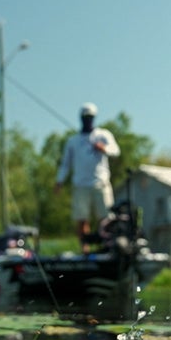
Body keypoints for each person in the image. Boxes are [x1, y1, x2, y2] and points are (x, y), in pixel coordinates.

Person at [54, 102, 121, 252]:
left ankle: (106, 246)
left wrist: (103, 148)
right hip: (80, 185)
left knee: (105, 218)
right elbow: (65, 164)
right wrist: (59, 181)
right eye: (85, 117)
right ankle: (85, 248)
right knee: (81, 218)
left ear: (94, 118)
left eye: (90, 117)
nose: (87, 120)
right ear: (81, 118)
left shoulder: (103, 135)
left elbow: (116, 151)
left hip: (100, 183)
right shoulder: (73, 141)